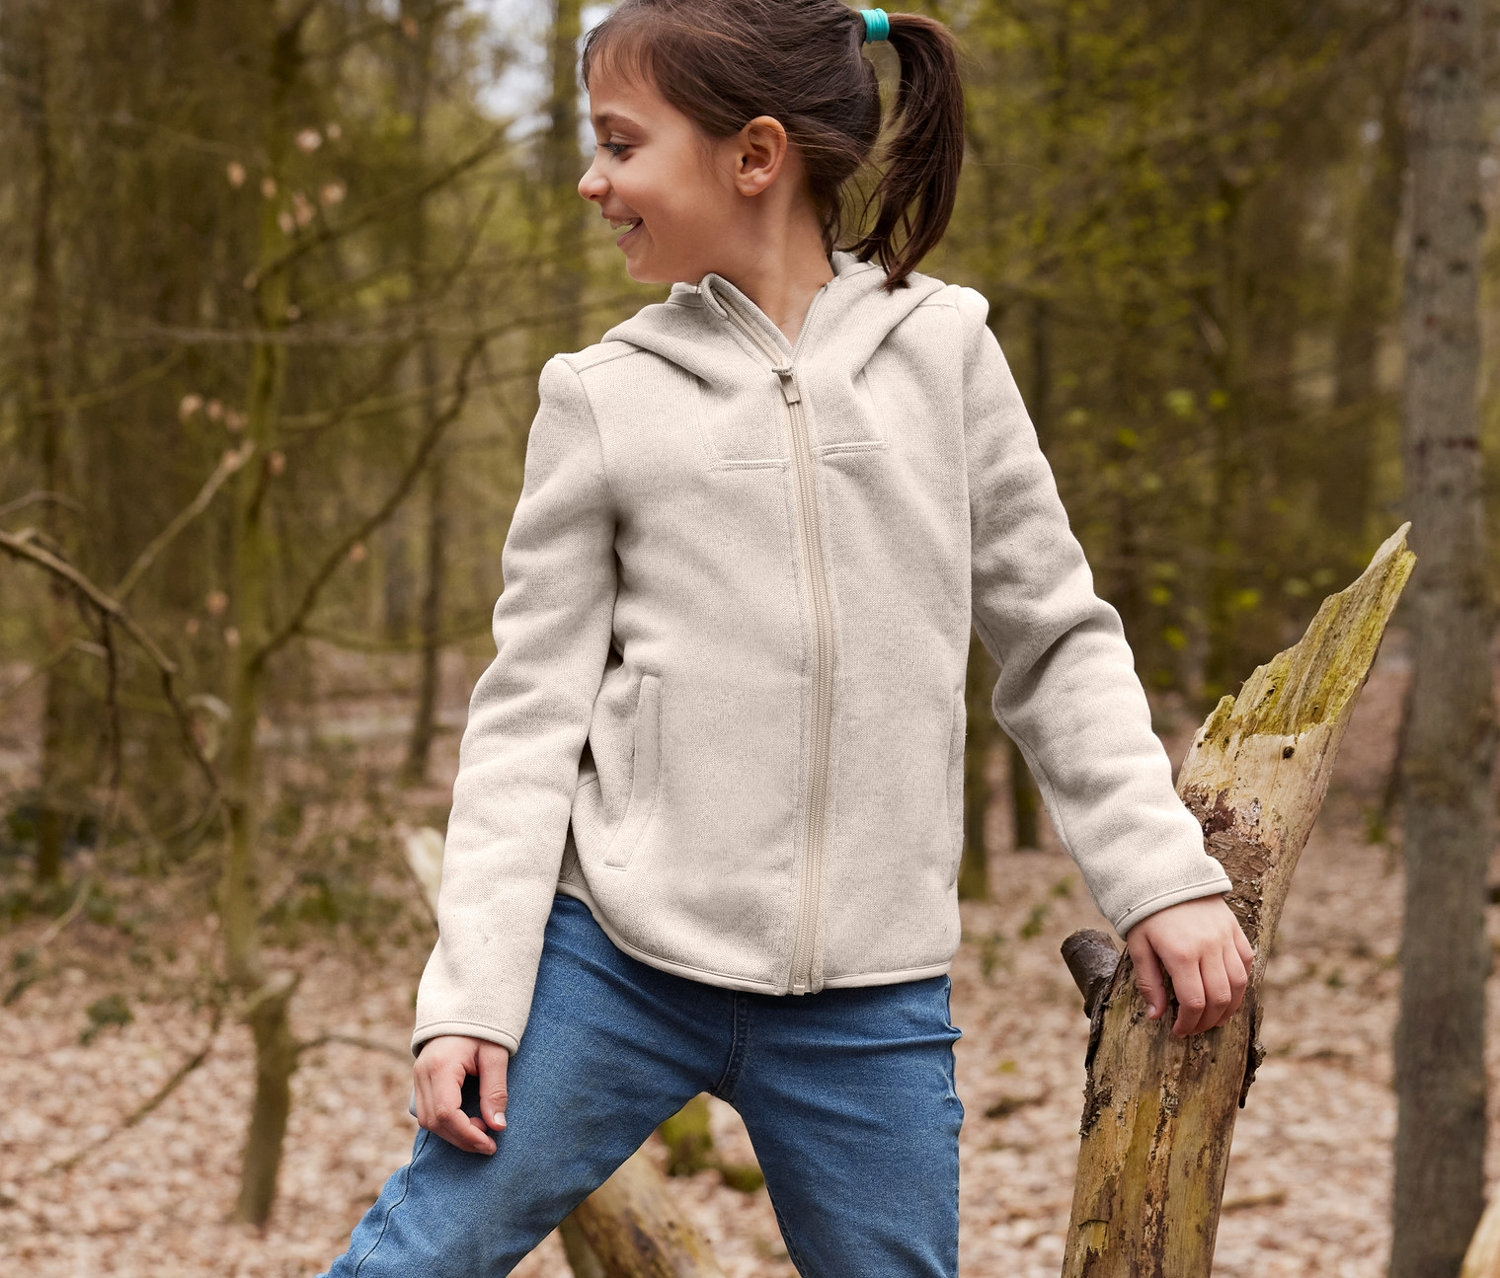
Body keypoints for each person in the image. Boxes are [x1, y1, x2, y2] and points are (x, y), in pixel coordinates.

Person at [321, 3, 1254, 1275]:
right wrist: (471, 1000)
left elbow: (1055, 640)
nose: (592, 181)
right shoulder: (600, 401)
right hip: (617, 969)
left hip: (870, 1005)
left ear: (754, 156)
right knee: (414, 1257)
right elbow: (525, 721)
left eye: (621, 144)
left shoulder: (948, 356)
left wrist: (1161, 874)